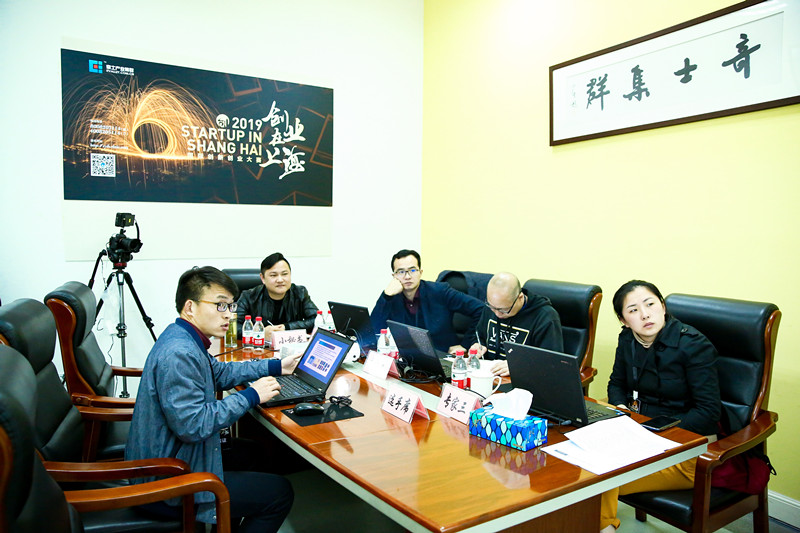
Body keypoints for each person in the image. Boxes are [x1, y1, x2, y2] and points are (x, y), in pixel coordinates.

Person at [126, 266, 300, 532]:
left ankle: (226, 521)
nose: (229, 314)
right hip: (167, 480)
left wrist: (276, 366)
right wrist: (252, 395)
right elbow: (193, 425)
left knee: (252, 453)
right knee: (280, 493)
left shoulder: (183, 336)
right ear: (190, 307)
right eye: (220, 306)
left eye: (230, 306)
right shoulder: (179, 353)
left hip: (175, 454)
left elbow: (219, 372)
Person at [599, 280, 721, 533]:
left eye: (650, 304)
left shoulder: (693, 345)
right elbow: (616, 383)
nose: (645, 314)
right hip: (637, 440)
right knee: (581, 469)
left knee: (599, 479)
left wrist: (650, 432)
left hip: (688, 452)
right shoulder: (628, 339)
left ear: (663, 307)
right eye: (633, 310)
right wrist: (621, 408)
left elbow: (708, 412)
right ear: (623, 320)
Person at [370, 249, 483, 354]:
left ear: (420, 272)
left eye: (412, 270)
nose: (407, 276)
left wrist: (466, 344)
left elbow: (481, 309)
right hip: (406, 357)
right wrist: (386, 296)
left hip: (442, 356)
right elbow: (372, 331)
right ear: (394, 276)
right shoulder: (391, 296)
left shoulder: (440, 291)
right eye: (401, 272)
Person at [468, 272, 563, 377]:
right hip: (489, 375)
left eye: (504, 310)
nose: (497, 314)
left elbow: (551, 362)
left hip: (522, 379)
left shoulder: (545, 317)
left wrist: (518, 366)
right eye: (492, 307)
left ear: (520, 298)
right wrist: (477, 345)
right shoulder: (492, 307)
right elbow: (479, 335)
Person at [236, 252, 318, 341]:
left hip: (291, 345)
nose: (280, 280)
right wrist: (259, 332)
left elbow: (317, 319)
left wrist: (287, 327)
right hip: (259, 346)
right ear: (262, 278)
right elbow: (233, 326)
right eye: (273, 275)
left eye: (284, 274)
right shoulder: (249, 296)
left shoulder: (300, 293)